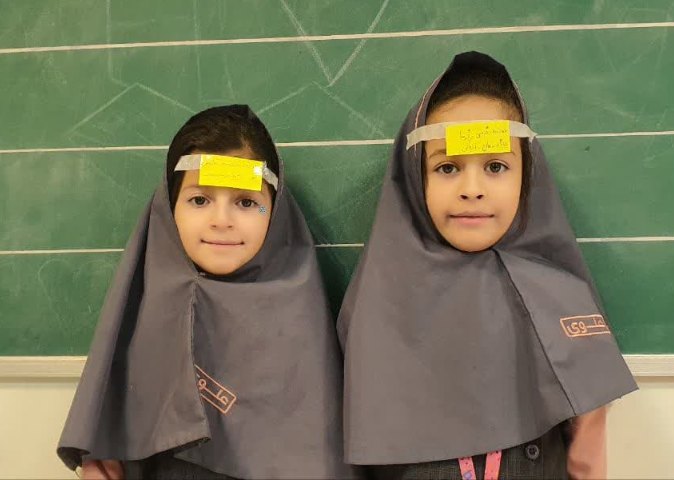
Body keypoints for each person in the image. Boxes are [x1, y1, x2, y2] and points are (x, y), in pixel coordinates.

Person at [337, 51, 637, 479]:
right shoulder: (374, 306)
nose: (472, 189)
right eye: (447, 167)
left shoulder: (561, 296)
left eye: (496, 166)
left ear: (527, 173)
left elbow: (587, 450)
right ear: (416, 175)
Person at [58, 104, 355, 479]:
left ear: (276, 211)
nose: (221, 220)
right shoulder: (142, 315)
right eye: (199, 200)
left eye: (246, 202)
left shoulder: (301, 321)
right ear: (169, 207)